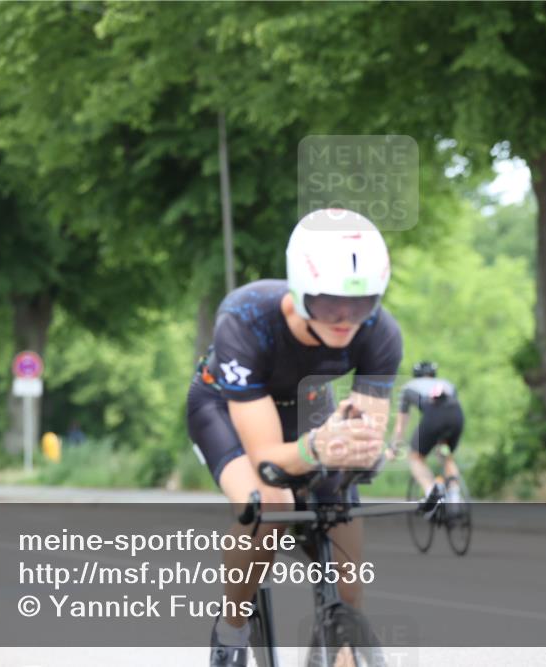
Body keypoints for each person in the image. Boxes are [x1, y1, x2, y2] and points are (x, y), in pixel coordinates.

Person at [186, 208, 402, 667]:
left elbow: (366, 440)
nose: (345, 320)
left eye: (361, 304)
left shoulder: (381, 334)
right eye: (328, 304)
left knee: (342, 503)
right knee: (271, 504)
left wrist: (367, 447)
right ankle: (232, 629)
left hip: (307, 410)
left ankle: (345, 637)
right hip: (224, 408)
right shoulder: (245, 318)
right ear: (300, 290)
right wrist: (315, 449)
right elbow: (267, 457)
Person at [391, 361, 466, 512]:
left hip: (434, 417)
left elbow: (401, 423)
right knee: (445, 453)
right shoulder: (447, 383)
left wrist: (395, 444)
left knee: (415, 457)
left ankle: (432, 494)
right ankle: (454, 494)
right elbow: (451, 405)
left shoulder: (409, 387)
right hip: (456, 416)